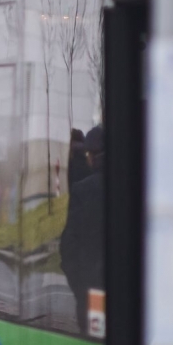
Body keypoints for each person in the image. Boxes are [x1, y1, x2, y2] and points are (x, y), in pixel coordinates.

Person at [60, 125, 105, 334]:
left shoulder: (83, 191)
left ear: (92, 157)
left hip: (91, 296)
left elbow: (68, 247)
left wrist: (80, 291)